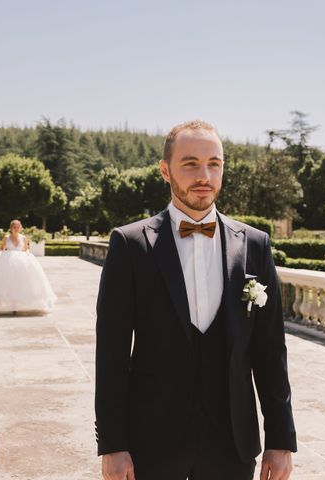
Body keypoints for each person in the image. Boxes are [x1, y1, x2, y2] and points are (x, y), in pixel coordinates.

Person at [95, 120, 296, 480]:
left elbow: (270, 352)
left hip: (232, 445)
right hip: (151, 444)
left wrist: (280, 440)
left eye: (214, 163)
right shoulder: (130, 245)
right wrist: (112, 444)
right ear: (165, 170)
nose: (204, 175)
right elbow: (110, 354)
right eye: (190, 163)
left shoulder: (255, 245)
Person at [0, 219, 56, 314]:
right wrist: (0, 260)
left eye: (18, 227)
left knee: (22, 282)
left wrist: (29, 261)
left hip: (21, 263)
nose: (16, 229)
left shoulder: (23, 238)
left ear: (20, 228)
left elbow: (26, 250)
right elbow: (1, 249)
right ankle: (12, 304)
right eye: (14, 227)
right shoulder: (6, 238)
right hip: (8, 262)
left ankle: (18, 304)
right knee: (8, 282)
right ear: (11, 228)